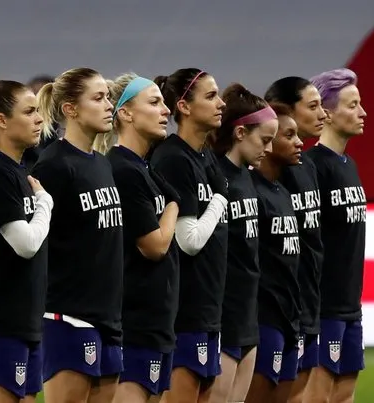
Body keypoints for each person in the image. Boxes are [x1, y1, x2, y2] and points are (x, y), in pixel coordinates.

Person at [32, 67, 124, 403]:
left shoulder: (102, 163)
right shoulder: (53, 166)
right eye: (98, 98)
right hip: (68, 317)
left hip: (109, 318)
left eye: (108, 97)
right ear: (70, 109)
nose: (108, 105)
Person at [93, 73, 180, 403]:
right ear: (125, 113)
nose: (166, 111)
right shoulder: (122, 170)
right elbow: (155, 246)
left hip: (156, 324)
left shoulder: (144, 169)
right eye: (155, 103)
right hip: (134, 324)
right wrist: (172, 206)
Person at [0, 80, 53, 403]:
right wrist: (46, 203)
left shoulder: (20, 172)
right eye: (29, 112)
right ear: (1, 121)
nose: (39, 119)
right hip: (3, 320)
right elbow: (26, 243)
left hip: (28, 319)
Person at [149, 68, 228, 402]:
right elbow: (189, 240)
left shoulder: (205, 156)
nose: (221, 103)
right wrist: (220, 201)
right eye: (210, 96)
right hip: (185, 311)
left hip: (208, 306)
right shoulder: (173, 157)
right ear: (183, 106)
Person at [208, 83, 277, 403]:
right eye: (264, 140)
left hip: (248, 316)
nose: (269, 148)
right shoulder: (213, 175)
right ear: (239, 133)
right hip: (222, 316)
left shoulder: (248, 177)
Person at [304, 68, 367, 403]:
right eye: (352, 104)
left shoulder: (348, 165)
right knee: (317, 395)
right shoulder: (313, 167)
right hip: (322, 307)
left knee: (345, 394)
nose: (362, 112)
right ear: (327, 113)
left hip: (349, 305)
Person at [264, 77, 326, 402]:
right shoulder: (272, 171)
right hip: (278, 310)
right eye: (313, 106)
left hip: (309, 305)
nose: (323, 114)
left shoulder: (307, 167)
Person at [245, 102, 303, 403]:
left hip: (290, 319)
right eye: (289, 135)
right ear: (268, 143)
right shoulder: (250, 192)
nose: (299, 142)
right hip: (264, 319)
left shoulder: (283, 193)